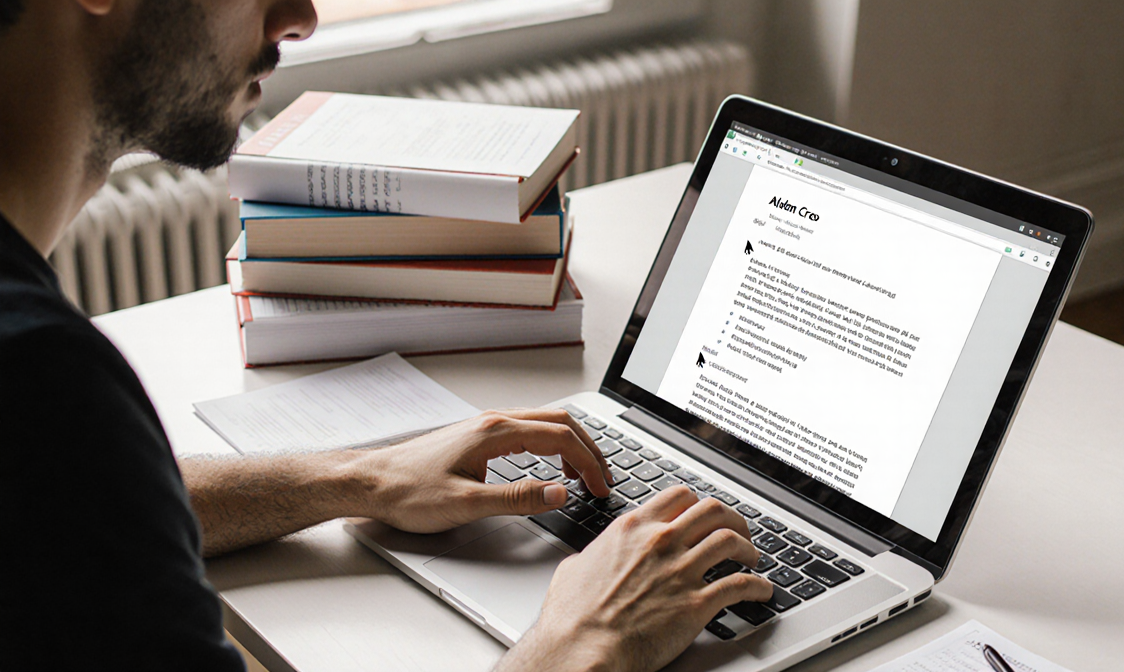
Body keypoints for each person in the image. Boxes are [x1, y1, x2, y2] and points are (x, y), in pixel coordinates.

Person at [0, 1, 775, 670]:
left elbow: (74, 515)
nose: (300, 17)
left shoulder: (50, 426)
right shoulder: (45, 384)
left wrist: (358, 476)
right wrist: (584, 642)